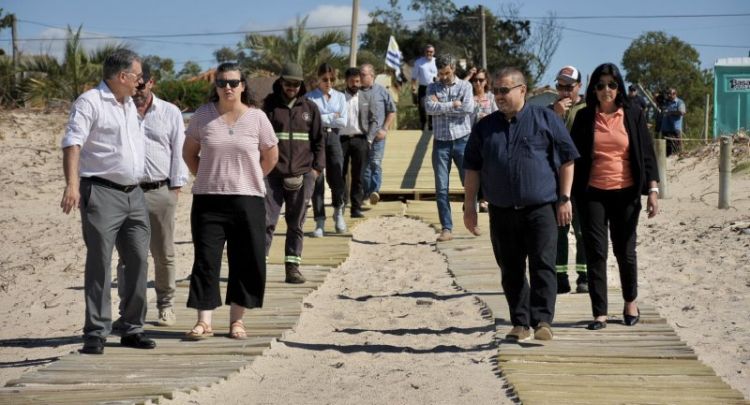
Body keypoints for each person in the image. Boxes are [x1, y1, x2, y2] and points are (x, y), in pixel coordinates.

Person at [463, 67, 579, 342]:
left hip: (541, 209)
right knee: (511, 269)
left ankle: (542, 321)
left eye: (504, 90)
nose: (499, 96)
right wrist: (469, 207)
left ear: (522, 90)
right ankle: (520, 322)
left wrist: (565, 198)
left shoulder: (547, 119)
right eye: (496, 91)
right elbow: (472, 169)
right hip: (502, 211)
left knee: (543, 265)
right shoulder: (484, 127)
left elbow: (567, 159)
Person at [60, 49, 156, 354]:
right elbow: (72, 143)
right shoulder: (89, 102)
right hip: (101, 192)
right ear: (122, 76)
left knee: (139, 260)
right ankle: (96, 332)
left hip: (134, 194)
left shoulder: (129, 103)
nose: (141, 82)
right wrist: (72, 185)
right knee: (100, 262)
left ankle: (131, 328)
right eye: (138, 76)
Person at [182, 62, 279, 340]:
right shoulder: (202, 115)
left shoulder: (258, 117)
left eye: (233, 82)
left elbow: (271, 156)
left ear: (243, 86)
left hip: (247, 200)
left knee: (245, 260)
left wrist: (251, 178)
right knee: (206, 260)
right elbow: (189, 153)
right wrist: (207, 177)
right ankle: (204, 321)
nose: (228, 87)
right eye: (222, 82)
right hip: (208, 200)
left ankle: (237, 321)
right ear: (215, 86)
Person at [568, 63, 659, 331]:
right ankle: (600, 313)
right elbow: (571, 157)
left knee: (625, 252)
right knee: (596, 252)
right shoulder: (585, 118)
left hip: (626, 192)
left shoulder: (633, 113)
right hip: (592, 193)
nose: (606, 90)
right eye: (600, 85)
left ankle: (630, 301)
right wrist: (566, 196)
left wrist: (652, 190)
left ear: (618, 87)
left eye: (611, 84)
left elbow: (647, 155)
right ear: (593, 89)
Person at [114, 63, 189, 329]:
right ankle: (129, 311)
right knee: (129, 257)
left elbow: (179, 150)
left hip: (160, 191)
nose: (137, 90)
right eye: (133, 84)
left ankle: (166, 306)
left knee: (163, 253)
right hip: (127, 192)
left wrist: (175, 187)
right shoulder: (119, 111)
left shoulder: (170, 112)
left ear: (151, 83)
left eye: (142, 84)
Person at [263, 62, 325, 284]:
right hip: (271, 175)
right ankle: (259, 267)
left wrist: (316, 170)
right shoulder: (268, 108)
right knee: (266, 222)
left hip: (302, 175)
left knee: (295, 223)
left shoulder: (310, 109)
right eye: (288, 83)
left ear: (301, 85)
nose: (291, 87)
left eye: (295, 84)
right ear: (281, 82)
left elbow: (319, 142)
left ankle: (292, 268)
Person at [425, 54, 475, 242]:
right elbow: (429, 108)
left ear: (453, 69)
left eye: (447, 73)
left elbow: (468, 108)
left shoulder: (466, 86)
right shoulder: (432, 87)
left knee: (469, 184)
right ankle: (446, 227)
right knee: (441, 187)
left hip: (463, 139)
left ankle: (472, 217)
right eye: (440, 73)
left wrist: (442, 105)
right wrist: (453, 104)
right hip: (441, 142)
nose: (444, 77)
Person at [550, 65, 588, 294]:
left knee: (583, 230)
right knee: (559, 230)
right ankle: (560, 277)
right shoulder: (550, 110)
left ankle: (584, 277)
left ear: (579, 87)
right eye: (560, 86)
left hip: (583, 180)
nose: (564, 91)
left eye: (569, 87)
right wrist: (556, 115)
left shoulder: (589, 109)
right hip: (557, 179)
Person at [306, 63, 348, 237]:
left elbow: (343, 121)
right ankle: (319, 221)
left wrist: (321, 117)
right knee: (317, 179)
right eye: (325, 79)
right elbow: (310, 121)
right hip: (316, 139)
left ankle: (338, 212)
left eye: (332, 79)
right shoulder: (310, 98)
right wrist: (332, 116)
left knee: (337, 176)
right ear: (318, 79)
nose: (329, 82)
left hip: (334, 138)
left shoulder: (340, 97)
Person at [360, 63, 397, 206]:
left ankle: (374, 191)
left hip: (378, 136)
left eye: (363, 74)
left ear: (372, 76)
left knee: (375, 163)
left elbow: (392, 111)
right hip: (362, 136)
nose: (361, 77)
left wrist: (385, 129)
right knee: (365, 167)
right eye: (360, 74)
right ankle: (367, 194)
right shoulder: (356, 93)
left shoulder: (382, 92)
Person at [339, 67, 370, 218]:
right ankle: (341, 204)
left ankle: (356, 208)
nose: (355, 84)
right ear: (346, 81)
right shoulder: (338, 97)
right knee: (340, 173)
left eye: (357, 81)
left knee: (358, 175)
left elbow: (374, 118)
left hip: (360, 139)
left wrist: (370, 137)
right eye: (352, 81)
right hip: (341, 139)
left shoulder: (365, 97)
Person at [468, 68, 497, 213]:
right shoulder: (468, 97)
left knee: (487, 169)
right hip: (472, 138)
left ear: (486, 81)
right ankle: (474, 199)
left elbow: (497, 114)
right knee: (474, 170)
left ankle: (485, 199)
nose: (478, 83)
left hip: (489, 137)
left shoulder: (491, 97)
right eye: (475, 80)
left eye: (481, 80)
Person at [411, 44, 437, 131]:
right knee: (422, 107)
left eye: (431, 52)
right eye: (427, 51)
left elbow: (442, 74)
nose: (429, 53)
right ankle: (423, 125)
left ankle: (431, 127)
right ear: (424, 52)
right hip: (423, 88)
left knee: (432, 108)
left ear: (434, 52)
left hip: (434, 88)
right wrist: (413, 89)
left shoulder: (437, 62)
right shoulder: (419, 62)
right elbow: (414, 78)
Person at [661, 87, 686, 156]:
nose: (668, 95)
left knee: (676, 148)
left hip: (675, 129)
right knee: (666, 150)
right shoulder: (666, 102)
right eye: (668, 93)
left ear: (675, 94)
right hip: (665, 129)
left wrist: (670, 112)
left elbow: (682, 112)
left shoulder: (679, 102)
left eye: (670, 94)